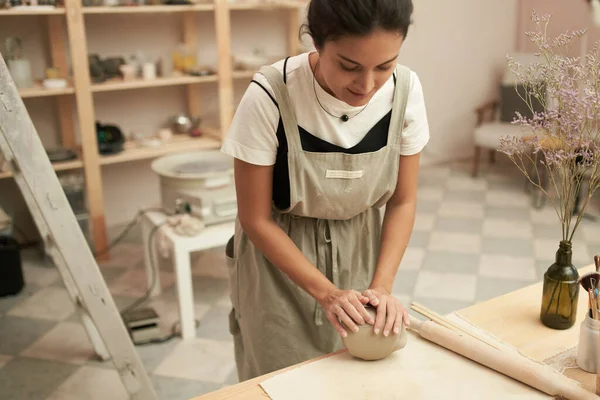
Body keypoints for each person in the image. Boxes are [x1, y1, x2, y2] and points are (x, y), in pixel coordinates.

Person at [220, 0, 429, 382]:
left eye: (384, 65)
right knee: (279, 379)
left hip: (361, 249)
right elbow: (255, 218)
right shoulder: (271, 94)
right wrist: (327, 292)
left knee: (355, 379)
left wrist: (380, 286)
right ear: (315, 42)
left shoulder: (405, 90)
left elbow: (404, 200)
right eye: (349, 66)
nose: (366, 85)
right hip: (278, 263)